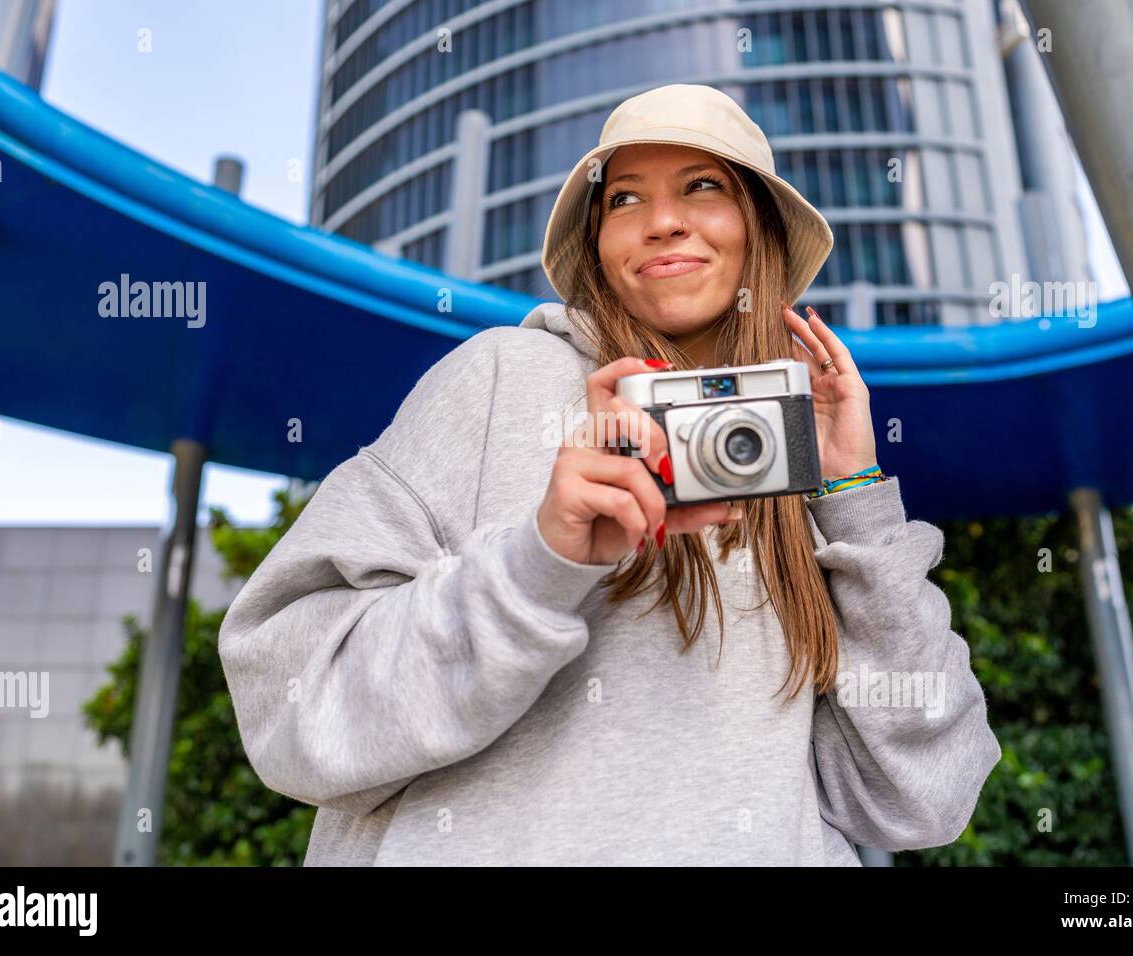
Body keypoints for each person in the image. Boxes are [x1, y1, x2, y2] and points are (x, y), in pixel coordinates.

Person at [218, 84, 1002, 866]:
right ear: (598, 246)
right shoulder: (498, 378)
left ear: (758, 230)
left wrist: (854, 495)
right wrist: (539, 565)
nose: (662, 220)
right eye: (624, 198)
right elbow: (292, 712)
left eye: (703, 186)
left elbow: (923, 797)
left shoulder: (799, 471)